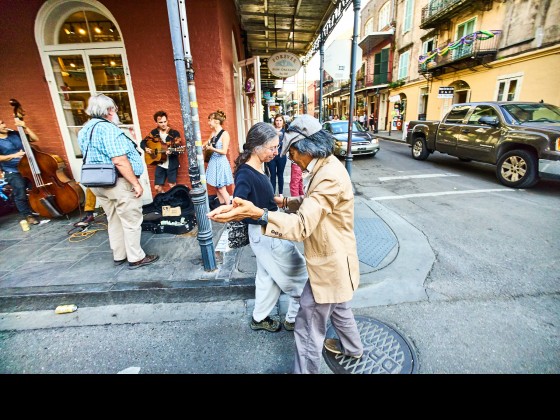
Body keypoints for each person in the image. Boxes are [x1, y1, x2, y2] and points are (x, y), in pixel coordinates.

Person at [208, 114, 363, 374]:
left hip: (329, 262)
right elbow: (313, 205)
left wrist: (260, 214)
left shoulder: (328, 176)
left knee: (307, 327)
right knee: (339, 306)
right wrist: (285, 202)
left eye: (291, 153)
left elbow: (302, 225)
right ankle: (353, 348)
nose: (290, 159)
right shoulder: (328, 166)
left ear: (306, 148)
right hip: (337, 257)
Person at [232, 122, 307, 332]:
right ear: (257, 147)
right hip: (267, 233)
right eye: (272, 147)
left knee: (267, 280)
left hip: (264, 232)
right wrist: (229, 211)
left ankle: (259, 319)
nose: (276, 152)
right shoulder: (246, 173)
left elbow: (257, 197)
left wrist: (277, 201)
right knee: (301, 279)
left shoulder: (256, 164)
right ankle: (294, 319)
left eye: (277, 146)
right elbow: (239, 202)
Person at [78, 94, 159, 270]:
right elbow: (119, 160)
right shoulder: (108, 129)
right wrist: (136, 184)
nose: (116, 111)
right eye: (114, 108)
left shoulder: (85, 129)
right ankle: (136, 257)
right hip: (117, 182)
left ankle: (119, 254)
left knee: (113, 218)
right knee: (131, 219)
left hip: (98, 184)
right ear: (108, 111)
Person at [0, 117, 40, 226]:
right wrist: (14, 155)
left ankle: (40, 208)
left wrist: (25, 126)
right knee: (20, 192)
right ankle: (28, 215)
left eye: (3, 122)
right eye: (0, 125)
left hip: (28, 166)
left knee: (35, 189)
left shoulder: (15, 134)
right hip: (12, 170)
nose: (4, 125)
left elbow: (35, 139)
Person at [140, 110, 182, 194]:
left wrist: (171, 151)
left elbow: (178, 147)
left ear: (167, 121)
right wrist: (146, 148)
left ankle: (174, 203)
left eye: (165, 121)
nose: (163, 124)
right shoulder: (154, 133)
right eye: (160, 122)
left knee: (172, 186)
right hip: (160, 163)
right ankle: (164, 201)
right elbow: (143, 142)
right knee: (157, 187)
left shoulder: (174, 133)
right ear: (156, 122)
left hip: (171, 163)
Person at [204, 110, 234, 206]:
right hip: (214, 161)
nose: (209, 123)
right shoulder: (213, 133)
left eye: (210, 120)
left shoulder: (225, 134)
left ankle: (230, 209)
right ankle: (222, 207)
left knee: (222, 188)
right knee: (217, 187)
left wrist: (212, 148)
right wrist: (199, 147)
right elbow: (207, 142)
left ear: (216, 121)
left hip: (220, 162)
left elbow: (224, 151)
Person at [266, 114, 287, 196]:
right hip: (272, 156)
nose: (278, 122)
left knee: (280, 174)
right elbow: (267, 142)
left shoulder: (285, 132)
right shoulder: (271, 131)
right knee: (272, 175)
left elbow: (287, 144)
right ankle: (272, 193)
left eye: (280, 120)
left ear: (283, 122)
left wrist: (279, 143)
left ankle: (281, 193)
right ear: (274, 121)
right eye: (277, 120)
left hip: (281, 156)